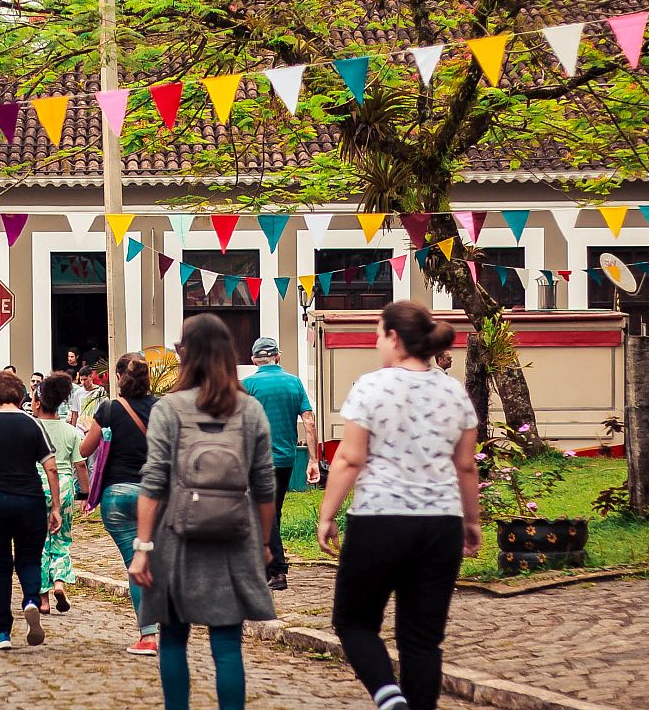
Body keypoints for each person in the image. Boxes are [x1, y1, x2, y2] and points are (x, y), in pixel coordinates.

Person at [317, 301, 480, 710]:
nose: (376, 341)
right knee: (422, 639)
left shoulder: (371, 387)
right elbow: (465, 466)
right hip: (440, 523)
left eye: (377, 333)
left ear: (394, 337)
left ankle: (389, 698)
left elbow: (350, 458)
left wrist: (327, 514)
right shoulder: (453, 391)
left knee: (354, 622)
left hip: (380, 521)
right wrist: (471, 520)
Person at [129, 314, 277, 710]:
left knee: (174, 640)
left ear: (186, 355)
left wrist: (142, 547)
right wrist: (264, 543)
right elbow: (265, 486)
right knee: (227, 645)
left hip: (176, 541)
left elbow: (153, 482)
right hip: (235, 538)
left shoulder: (169, 408)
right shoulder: (250, 410)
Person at [0, 371, 62, 651]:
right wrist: (55, 506)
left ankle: (2, 631)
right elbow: (51, 466)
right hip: (30, 499)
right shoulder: (34, 425)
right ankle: (31, 600)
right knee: (29, 560)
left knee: (0, 566)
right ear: (21, 396)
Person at [80, 352, 161, 655]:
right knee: (150, 561)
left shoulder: (109, 409)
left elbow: (84, 448)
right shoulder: (160, 408)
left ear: (117, 377)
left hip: (117, 497)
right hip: (153, 495)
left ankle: (148, 635)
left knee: (135, 565)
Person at [242, 336, 320, 592]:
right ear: (278, 356)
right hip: (286, 459)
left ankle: (277, 571)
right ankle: (264, 569)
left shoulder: (247, 385)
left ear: (254, 360)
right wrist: (313, 460)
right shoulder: (294, 382)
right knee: (272, 512)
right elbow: (308, 421)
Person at [32, 372, 89, 614]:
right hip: (64, 487)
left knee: (38, 543)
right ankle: (59, 582)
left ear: (39, 402)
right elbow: (81, 466)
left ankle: (43, 599)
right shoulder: (71, 431)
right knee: (62, 538)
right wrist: (85, 494)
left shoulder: (32, 428)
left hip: (36, 486)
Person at [69, 366, 106, 430]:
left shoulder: (100, 391)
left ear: (91, 377)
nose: (83, 382)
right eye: (81, 380)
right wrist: (73, 430)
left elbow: (103, 412)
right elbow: (75, 414)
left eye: (85, 379)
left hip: (94, 427)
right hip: (80, 428)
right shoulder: (78, 393)